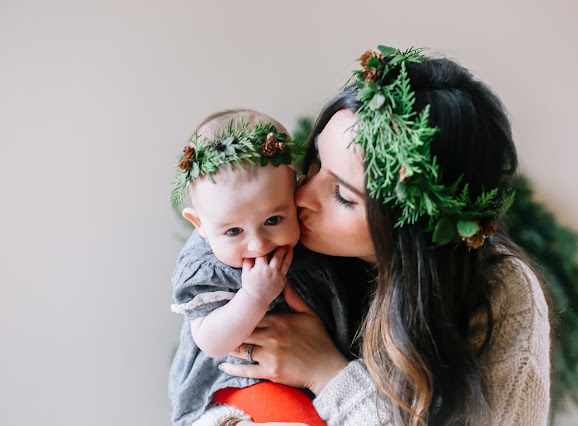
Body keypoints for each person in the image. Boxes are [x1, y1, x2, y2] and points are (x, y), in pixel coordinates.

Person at [205, 47, 551, 426]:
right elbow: (198, 387)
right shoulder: (264, 227)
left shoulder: (500, 293)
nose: (302, 196)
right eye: (317, 162)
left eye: (342, 195)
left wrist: (328, 374)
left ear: (411, 229)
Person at [168, 110, 355, 426]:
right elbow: (211, 341)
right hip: (233, 386)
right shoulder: (206, 268)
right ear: (199, 224)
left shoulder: (313, 242)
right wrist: (253, 296)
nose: (258, 244)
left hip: (312, 381)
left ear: (294, 195)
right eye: (233, 232)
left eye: (272, 220)